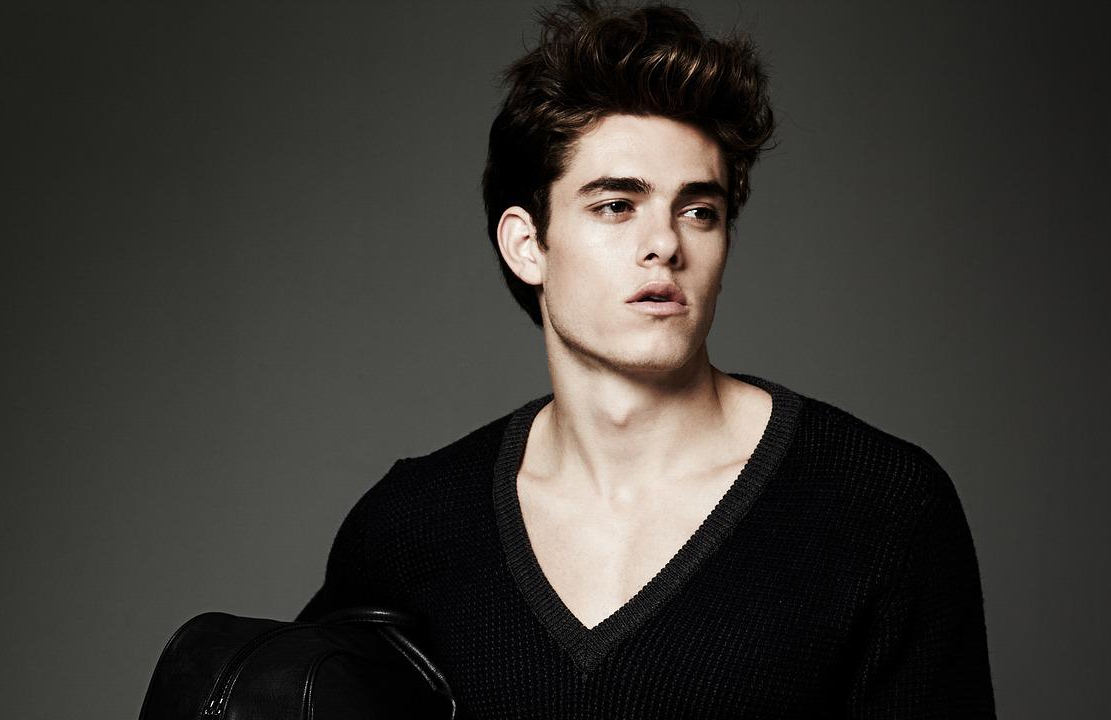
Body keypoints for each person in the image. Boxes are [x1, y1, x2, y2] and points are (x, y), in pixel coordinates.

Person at [294, 1, 996, 717]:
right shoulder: (411, 526)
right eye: (616, 206)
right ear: (527, 246)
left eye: (699, 211)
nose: (665, 243)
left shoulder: (880, 508)